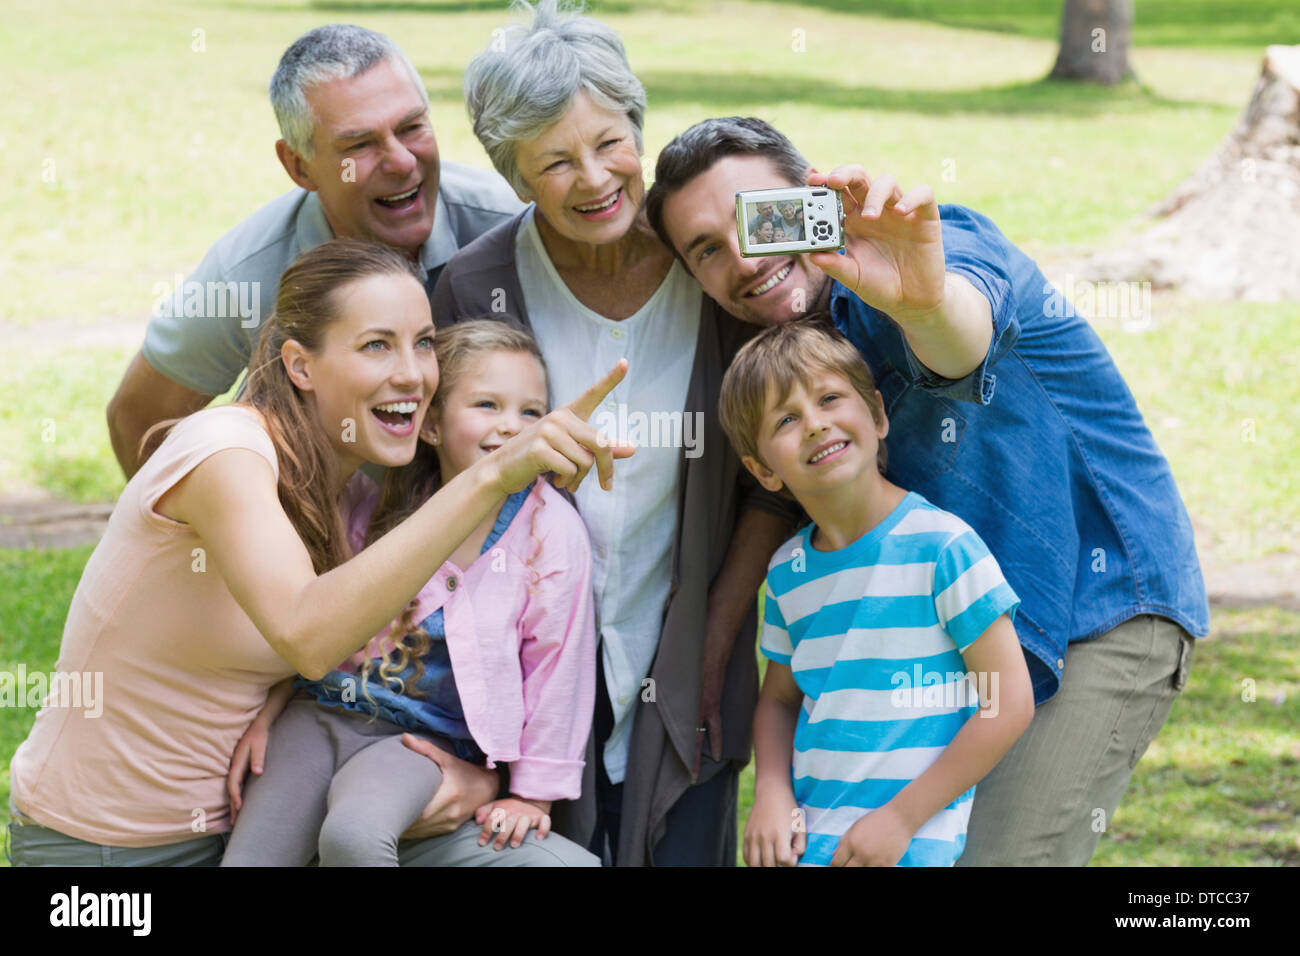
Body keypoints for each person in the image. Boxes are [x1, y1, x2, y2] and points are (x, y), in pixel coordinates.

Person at [645, 116, 1207, 866]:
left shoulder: (938, 251)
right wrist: (717, 637)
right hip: (959, 644)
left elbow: (957, 340)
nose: (745, 260)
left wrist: (918, 300)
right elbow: (787, 497)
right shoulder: (803, 360)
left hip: (1098, 608)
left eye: (761, 218)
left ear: (815, 196)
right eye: (707, 250)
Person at [6, 239, 624, 866]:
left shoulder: (360, 488)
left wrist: (484, 777)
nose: (413, 374)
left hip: (295, 805)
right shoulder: (227, 455)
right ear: (301, 366)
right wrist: (493, 479)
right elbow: (310, 635)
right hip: (114, 849)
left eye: (425, 342)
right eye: (377, 344)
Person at [433, 1, 799, 866]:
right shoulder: (473, 287)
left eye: (608, 142)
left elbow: (762, 480)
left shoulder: (712, 261)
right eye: (554, 161)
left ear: (639, 128)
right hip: (524, 662)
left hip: (691, 645)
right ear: (515, 178)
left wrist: (714, 642)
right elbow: (440, 480)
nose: (594, 178)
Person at [107, 23, 523, 479]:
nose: (402, 161)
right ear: (299, 166)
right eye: (360, 145)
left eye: (412, 127)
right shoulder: (246, 271)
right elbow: (139, 422)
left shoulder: (512, 227)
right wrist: (221, 536)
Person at [720, 320, 1034, 866]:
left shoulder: (943, 548)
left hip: (905, 846)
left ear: (878, 416)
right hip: (809, 846)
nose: (816, 425)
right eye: (787, 419)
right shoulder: (788, 572)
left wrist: (902, 818)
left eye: (830, 399)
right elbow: (778, 700)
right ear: (762, 470)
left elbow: (1008, 702)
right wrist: (771, 791)